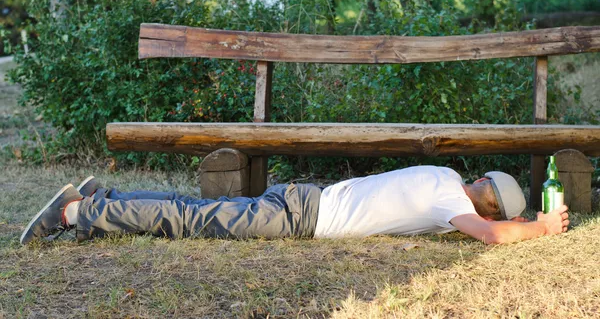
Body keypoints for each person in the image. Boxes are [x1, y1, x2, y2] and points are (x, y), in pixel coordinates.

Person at [20, 166, 569, 245]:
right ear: (489, 204)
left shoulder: (444, 179)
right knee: (191, 219)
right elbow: (492, 237)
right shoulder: (452, 202)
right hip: (302, 216)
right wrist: (541, 228)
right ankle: (78, 214)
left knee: (193, 208)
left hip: (307, 199)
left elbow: (492, 224)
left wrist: (521, 219)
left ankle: (101, 200)